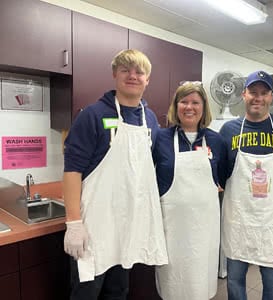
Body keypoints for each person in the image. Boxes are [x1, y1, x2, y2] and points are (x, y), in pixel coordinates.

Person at [63, 49, 168, 299]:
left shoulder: (150, 119)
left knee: (118, 292)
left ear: (147, 79)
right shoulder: (93, 115)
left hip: (126, 230)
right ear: (114, 74)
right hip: (94, 229)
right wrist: (74, 224)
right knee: (85, 293)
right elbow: (72, 171)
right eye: (125, 70)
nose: (133, 76)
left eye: (139, 71)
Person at [220, 70, 273, 300]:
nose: (258, 97)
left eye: (264, 93)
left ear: (271, 97)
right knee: (234, 282)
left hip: (272, 222)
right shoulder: (229, 130)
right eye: (253, 92)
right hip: (239, 221)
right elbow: (220, 171)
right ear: (243, 94)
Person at [152, 81, 227, 300]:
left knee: (200, 281)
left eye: (195, 102)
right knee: (172, 282)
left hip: (204, 228)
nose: (189, 107)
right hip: (171, 228)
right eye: (183, 101)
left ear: (204, 107)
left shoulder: (217, 141)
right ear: (176, 106)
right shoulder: (161, 139)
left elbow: (221, 178)